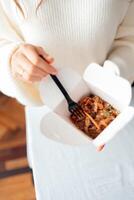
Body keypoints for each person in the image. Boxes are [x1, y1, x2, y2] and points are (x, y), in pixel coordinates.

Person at [0, 1, 134, 199]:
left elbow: (130, 38)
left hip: (116, 94)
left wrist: (110, 82)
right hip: (42, 111)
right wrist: (12, 60)